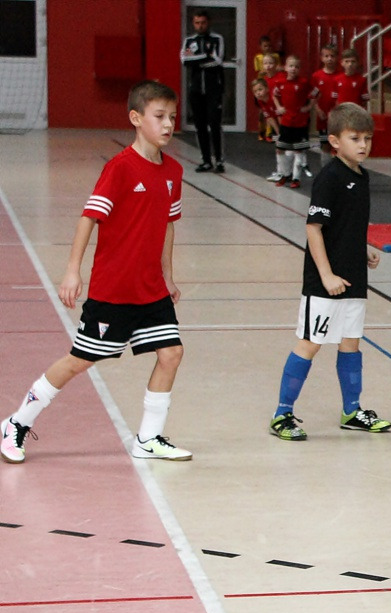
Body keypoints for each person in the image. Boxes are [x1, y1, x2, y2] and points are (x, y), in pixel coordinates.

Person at [2, 81, 192, 465]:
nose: (168, 124)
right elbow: (89, 218)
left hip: (151, 289)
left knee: (171, 352)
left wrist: (167, 275)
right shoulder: (119, 168)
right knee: (80, 360)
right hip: (113, 291)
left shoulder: (174, 170)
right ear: (135, 118)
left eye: (172, 117)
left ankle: (148, 438)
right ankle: (16, 422)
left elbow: (168, 225)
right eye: (159, 116)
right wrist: (72, 272)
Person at [269, 103, 391, 442]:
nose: (363, 145)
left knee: (351, 343)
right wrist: (326, 275)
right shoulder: (330, 178)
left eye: (367, 138)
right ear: (335, 141)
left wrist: (360, 250)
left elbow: (347, 224)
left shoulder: (361, 176)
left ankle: (352, 411)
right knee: (311, 343)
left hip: (354, 277)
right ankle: (282, 414)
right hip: (325, 283)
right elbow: (314, 228)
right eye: (355, 138)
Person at [180, 8, 225, 173]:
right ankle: (206, 160)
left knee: (214, 123)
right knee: (200, 126)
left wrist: (196, 59)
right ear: (193, 24)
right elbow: (185, 60)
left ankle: (219, 160)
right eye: (197, 23)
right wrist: (205, 55)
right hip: (196, 90)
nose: (200, 26)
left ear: (208, 23)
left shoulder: (217, 39)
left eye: (203, 23)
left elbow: (218, 60)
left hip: (214, 90)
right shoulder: (189, 41)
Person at [271, 54, 315, 189]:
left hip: (300, 123)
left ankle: (296, 178)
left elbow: (316, 93)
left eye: (296, 67)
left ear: (299, 69)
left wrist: (309, 107)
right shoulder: (280, 83)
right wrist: (279, 107)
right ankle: (285, 174)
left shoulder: (304, 82)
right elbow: (274, 95)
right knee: (280, 148)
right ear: (285, 67)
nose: (293, 69)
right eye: (291, 66)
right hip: (286, 122)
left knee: (299, 150)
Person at [311, 43, 340, 162]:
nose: (329, 59)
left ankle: (340, 169)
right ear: (322, 58)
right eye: (326, 56)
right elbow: (313, 96)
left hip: (338, 117)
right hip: (323, 117)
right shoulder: (317, 76)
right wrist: (318, 110)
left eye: (332, 56)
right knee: (325, 144)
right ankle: (326, 169)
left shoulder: (341, 76)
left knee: (339, 144)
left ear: (337, 58)